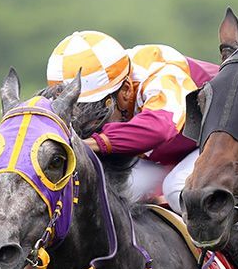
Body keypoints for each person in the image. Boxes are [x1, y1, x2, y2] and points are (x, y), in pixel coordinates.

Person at [45, 31, 218, 211]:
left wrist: (88, 144)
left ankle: (233, 227)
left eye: (96, 113)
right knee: (106, 191)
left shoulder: (160, 72)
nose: (91, 125)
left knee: (178, 188)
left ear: (126, 90)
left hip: (216, 139)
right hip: (166, 154)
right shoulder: (113, 80)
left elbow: (160, 128)